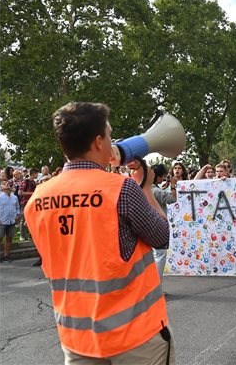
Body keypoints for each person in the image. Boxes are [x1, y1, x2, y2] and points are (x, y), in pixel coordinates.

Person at [23, 102, 174, 364]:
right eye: (109, 134)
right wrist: (146, 189)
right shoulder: (122, 189)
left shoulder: (38, 198)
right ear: (97, 142)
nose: (112, 141)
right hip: (135, 336)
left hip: (77, 338)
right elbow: (161, 236)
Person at [151, 164, 177, 286]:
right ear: (158, 177)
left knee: (151, 256)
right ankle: (157, 287)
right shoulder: (156, 191)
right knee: (160, 256)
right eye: (163, 176)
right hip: (158, 225)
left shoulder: (145, 188)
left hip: (147, 224)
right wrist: (173, 186)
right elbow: (172, 199)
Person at [0, 181, 21, 263]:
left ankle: (6, 255)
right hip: (1, 221)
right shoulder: (0, 196)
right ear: (2, 187)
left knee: (9, 239)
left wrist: (18, 215)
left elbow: (17, 208)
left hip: (12, 221)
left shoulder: (14, 197)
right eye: (4, 184)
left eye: (8, 184)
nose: (7, 185)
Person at [18, 168, 39, 242]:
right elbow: (20, 193)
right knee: (24, 219)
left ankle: (31, 235)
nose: (37, 175)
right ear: (33, 174)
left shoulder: (34, 182)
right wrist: (32, 193)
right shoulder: (25, 181)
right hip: (25, 203)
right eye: (37, 173)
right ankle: (22, 236)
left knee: (32, 219)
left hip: (32, 203)